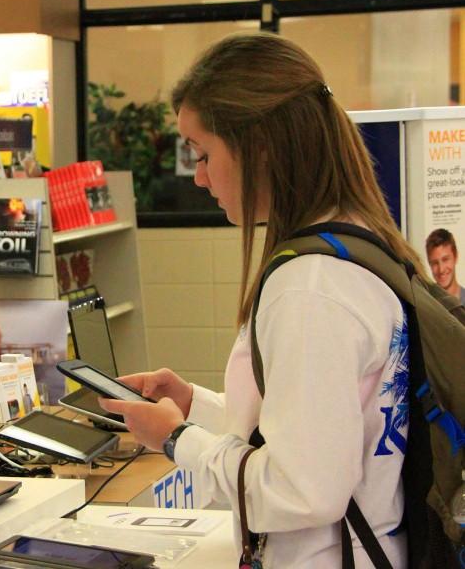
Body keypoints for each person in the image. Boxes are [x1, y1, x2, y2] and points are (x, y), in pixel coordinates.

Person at [99, 32, 426, 567]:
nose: (199, 177)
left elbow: (304, 490)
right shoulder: (357, 243)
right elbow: (321, 430)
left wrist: (178, 439)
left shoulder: (310, 288)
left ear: (262, 146)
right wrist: (195, 409)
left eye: (204, 154)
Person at [425, 228, 464, 304]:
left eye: (445, 259)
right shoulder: (426, 306)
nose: (441, 269)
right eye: (435, 263)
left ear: (455, 257)